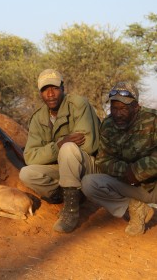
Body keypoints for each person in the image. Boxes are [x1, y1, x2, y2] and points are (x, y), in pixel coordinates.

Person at [19, 69, 100, 233]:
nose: (50, 94)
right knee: (26, 173)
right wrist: (58, 145)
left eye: (54, 88)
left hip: (90, 167)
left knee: (69, 148)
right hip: (63, 168)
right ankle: (73, 196)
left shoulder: (79, 105)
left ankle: (70, 211)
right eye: (45, 89)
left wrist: (63, 147)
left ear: (63, 88)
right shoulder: (38, 118)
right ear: (40, 92)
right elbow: (30, 156)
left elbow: (89, 145)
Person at [81, 81, 157, 236]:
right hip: (131, 184)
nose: (118, 113)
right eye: (114, 108)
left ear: (136, 106)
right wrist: (126, 172)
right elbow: (103, 160)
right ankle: (136, 211)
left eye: (123, 108)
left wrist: (138, 171)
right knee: (89, 183)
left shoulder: (153, 119)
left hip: (154, 184)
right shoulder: (108, 125)